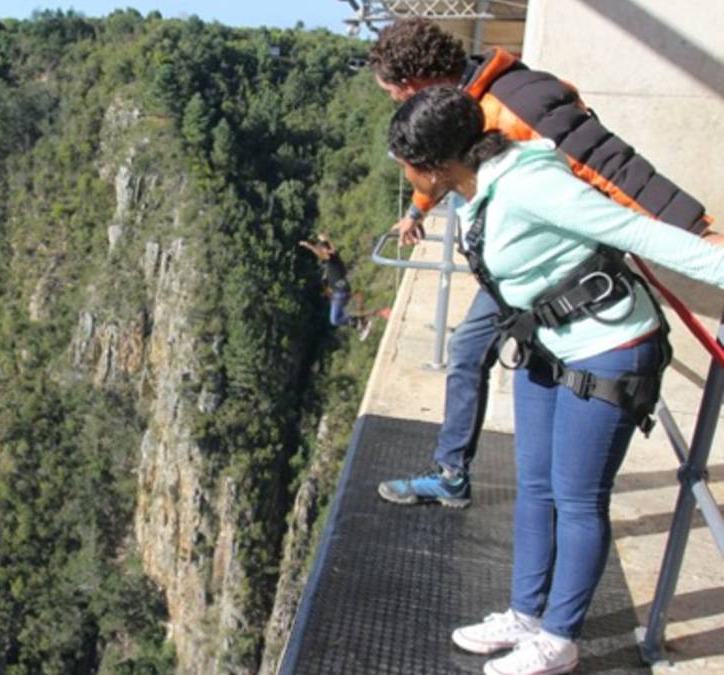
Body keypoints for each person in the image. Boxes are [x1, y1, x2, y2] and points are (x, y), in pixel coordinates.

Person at [387, 85, 724, 675]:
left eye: (410, 166)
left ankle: (559, 640)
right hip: (547, 343)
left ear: (439, 164)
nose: (409, 178)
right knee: (535, 486)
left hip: (608, 349)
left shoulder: (530, 184)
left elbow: (639, 234)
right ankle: (525, 615)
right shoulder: (474, 188)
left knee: (576, 498)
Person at [367, 18, 716, 508]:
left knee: (471, 352)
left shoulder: (516, 104)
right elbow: (437, 162)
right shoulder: (474, 97)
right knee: (475, 354)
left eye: (394, 96)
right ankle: (464, 474)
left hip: (556, 270)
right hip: (519, 263)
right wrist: (415, 212)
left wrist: (697, 234)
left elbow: (608, 165)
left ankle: (465, 477)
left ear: (413, 84)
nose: (398, 106)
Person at [299, 233, 372, 339]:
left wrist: (308, 246)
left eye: (322, 250)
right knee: (336, 318)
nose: (320, 255)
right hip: (341, 291)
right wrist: (325, 240)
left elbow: (322, 252)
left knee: (335, 319)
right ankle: (361, 322)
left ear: (325, 250)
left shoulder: (331, 257)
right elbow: (330, 248)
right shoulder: (333, 258)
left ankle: (361, 323)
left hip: (341, 292)